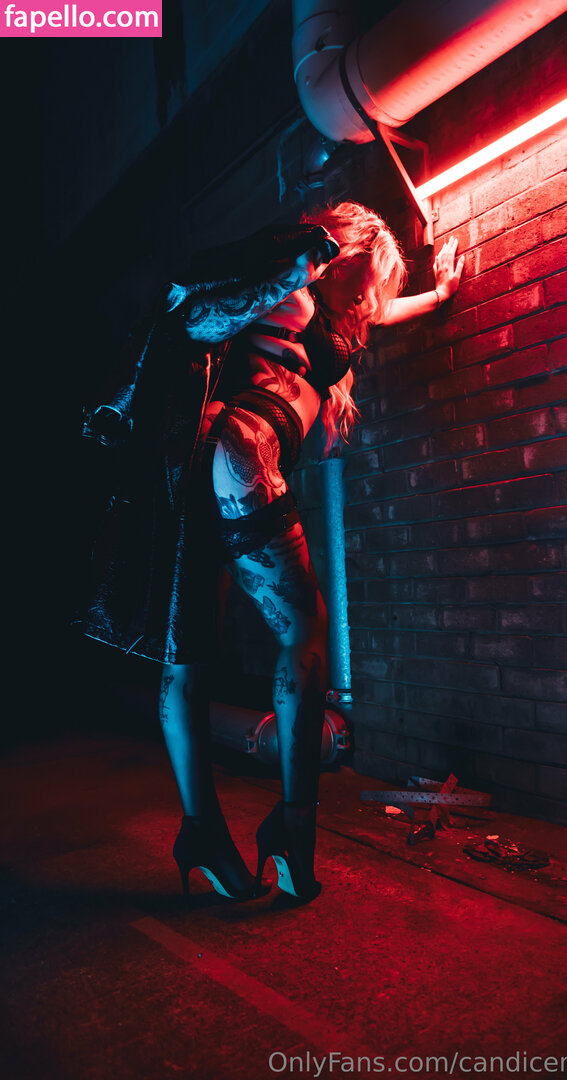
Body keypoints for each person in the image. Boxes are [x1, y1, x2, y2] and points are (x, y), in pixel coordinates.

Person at [80, 201, 464, 905]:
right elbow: (194, 316)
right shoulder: (292, 282)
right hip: (243, 449)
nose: (368, 302)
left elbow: (380, 314)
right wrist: (294, 269)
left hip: (210, 466)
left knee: (187, 656)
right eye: (368, 280)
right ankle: (293, 826)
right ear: (349, 253)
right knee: (304, 630)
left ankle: (202, 834)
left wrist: (435, 296)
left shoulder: (332, 309)